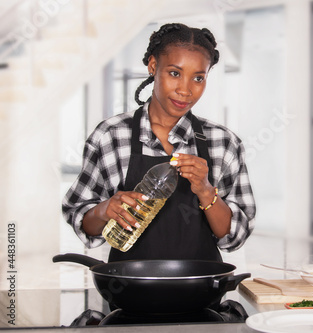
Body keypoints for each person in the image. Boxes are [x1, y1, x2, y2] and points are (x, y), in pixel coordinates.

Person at [62, 23, 256, 263]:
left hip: (202, 290)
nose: (185, 90)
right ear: (153, 66)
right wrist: (104, 210)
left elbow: (234, 237)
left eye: (198, 78)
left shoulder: (224, 144)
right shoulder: (110, 136)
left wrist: (206, 191)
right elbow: (84, 224)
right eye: (175, 73)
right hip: (129, 290)